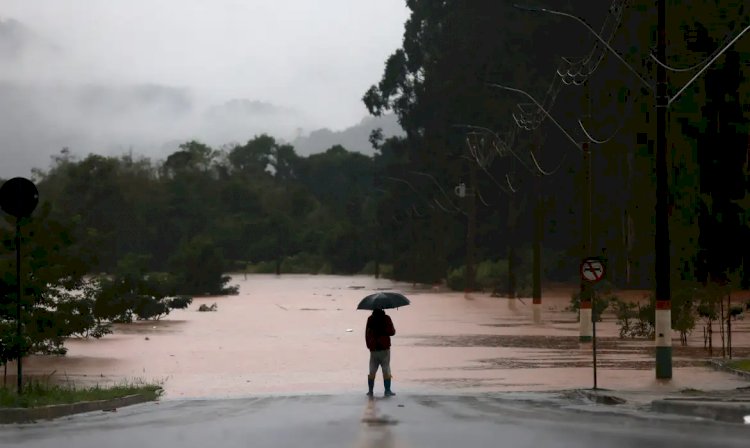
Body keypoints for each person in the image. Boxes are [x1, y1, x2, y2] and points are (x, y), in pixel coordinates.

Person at [365, 308, 396, 397]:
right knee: (386, 369)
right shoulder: (386, 318)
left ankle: (370, 391)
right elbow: (392, 332)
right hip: (384, 348)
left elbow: (367, 334)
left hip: (373, 349)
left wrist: (369, 345)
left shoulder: (370, 319)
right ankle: (387, 390)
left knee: (372, 370)